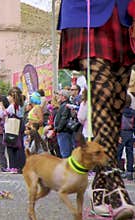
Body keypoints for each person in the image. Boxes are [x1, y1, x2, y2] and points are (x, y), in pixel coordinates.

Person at [59, 1, 135, 217]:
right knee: (101, 95)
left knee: (116, 103)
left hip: (124, 17)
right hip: (87, 13)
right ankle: (114, 183)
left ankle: (99, 188)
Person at [0, 87, 25, 174]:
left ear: (12, 97)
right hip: (19, 127)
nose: (8, 98)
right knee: (19, 147)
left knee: (10, 147)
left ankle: (13, 167)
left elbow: (2, 115)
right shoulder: (21, 106)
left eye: (9, 96)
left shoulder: (12, 106)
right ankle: (19, 166)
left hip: (12, 128)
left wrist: (1, 107)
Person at [117, 95, 135, 181]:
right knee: (130, 153)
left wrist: (118, 135)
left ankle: (117, 171)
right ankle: (130, 172)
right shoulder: (133, 112)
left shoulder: (119, 112)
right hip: (130, 133)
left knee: (118, 153)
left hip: (122, 133)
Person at [54, 90, 73, 158]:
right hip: (63, 131)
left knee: (65, 153)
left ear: (63, 97)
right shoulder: (64, 105)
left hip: (63, 132)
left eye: (59, 95)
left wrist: (58, 129)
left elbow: (63, 118)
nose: (57, 97)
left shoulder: (65, 105)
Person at [0, 96, 10, 172]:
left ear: (1, 102)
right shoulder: (9, 109)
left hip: (0, 131)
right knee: (7, 150)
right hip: (8, 131)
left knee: (0, 150)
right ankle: (6, 166)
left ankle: (3, 166)